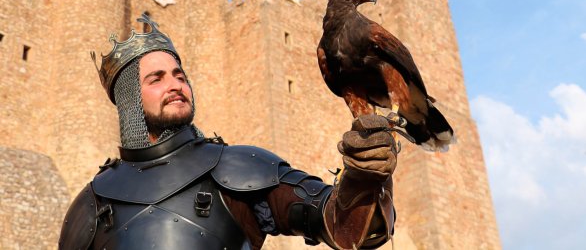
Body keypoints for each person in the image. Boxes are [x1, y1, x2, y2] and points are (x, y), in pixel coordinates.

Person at [58, 15, 397, 250]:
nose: (176, 85)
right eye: (157, 78)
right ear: (128, 101)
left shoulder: (238, 167)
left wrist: (364, 179)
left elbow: (341, 225)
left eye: (179, 75)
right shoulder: (92, 202)